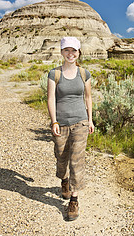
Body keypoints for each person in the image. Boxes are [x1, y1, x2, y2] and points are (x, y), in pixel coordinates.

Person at [47, 36, 95, 221]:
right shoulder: (54, 74)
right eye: (66, 50)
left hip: (80, 122)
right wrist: (54, 122)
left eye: (74, 50)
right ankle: (64, 180)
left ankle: (74, 200)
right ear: (61, 52)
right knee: (61, 157)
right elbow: (51, 98)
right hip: (61, 122)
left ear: (79, 53)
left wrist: (90, 120)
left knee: (77, 160)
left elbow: (88, 98)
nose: (70, 54)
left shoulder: (84, 74)